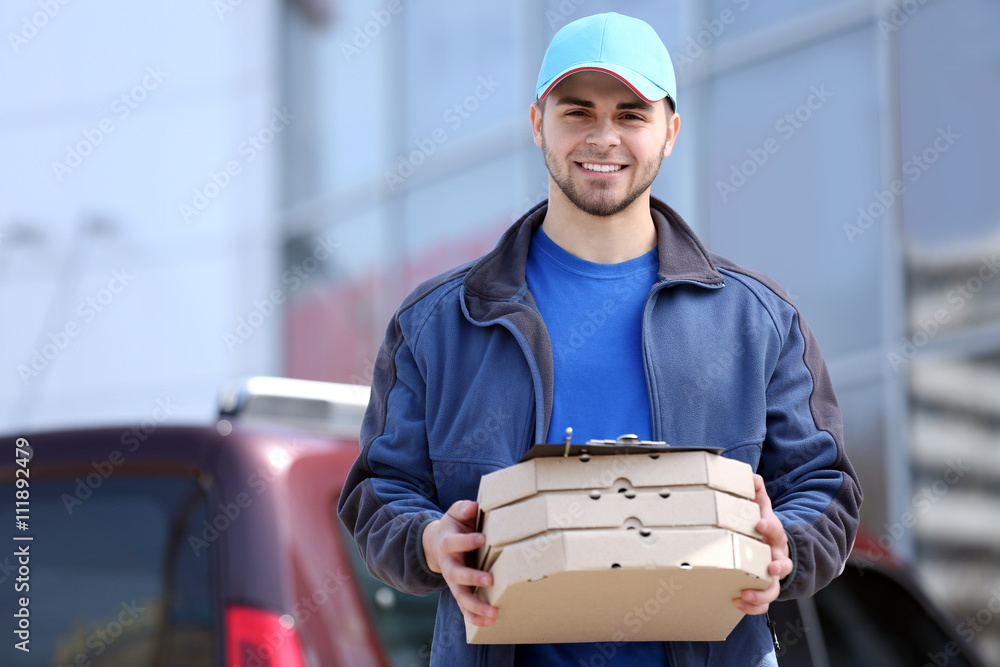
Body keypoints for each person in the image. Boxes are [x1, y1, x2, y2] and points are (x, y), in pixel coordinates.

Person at [338, 11, 862, 666]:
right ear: (538, 124)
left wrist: (787, 543)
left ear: (670, 132)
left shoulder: (756, 321)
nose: (604, 137)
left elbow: (825, 486)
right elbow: (377, 491)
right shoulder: (438, 324)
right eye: (578, 112)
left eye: (632, 115)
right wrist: (426, 541)